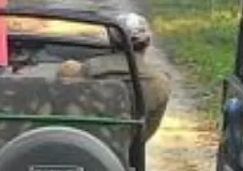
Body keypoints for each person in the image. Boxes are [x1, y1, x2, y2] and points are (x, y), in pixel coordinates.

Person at [73, 12, 171, 141]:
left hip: (83, 144)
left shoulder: (83, 71)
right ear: (147, 43)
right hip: (125, 153)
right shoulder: (160, 83)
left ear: (111, 40)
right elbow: (145, 134)